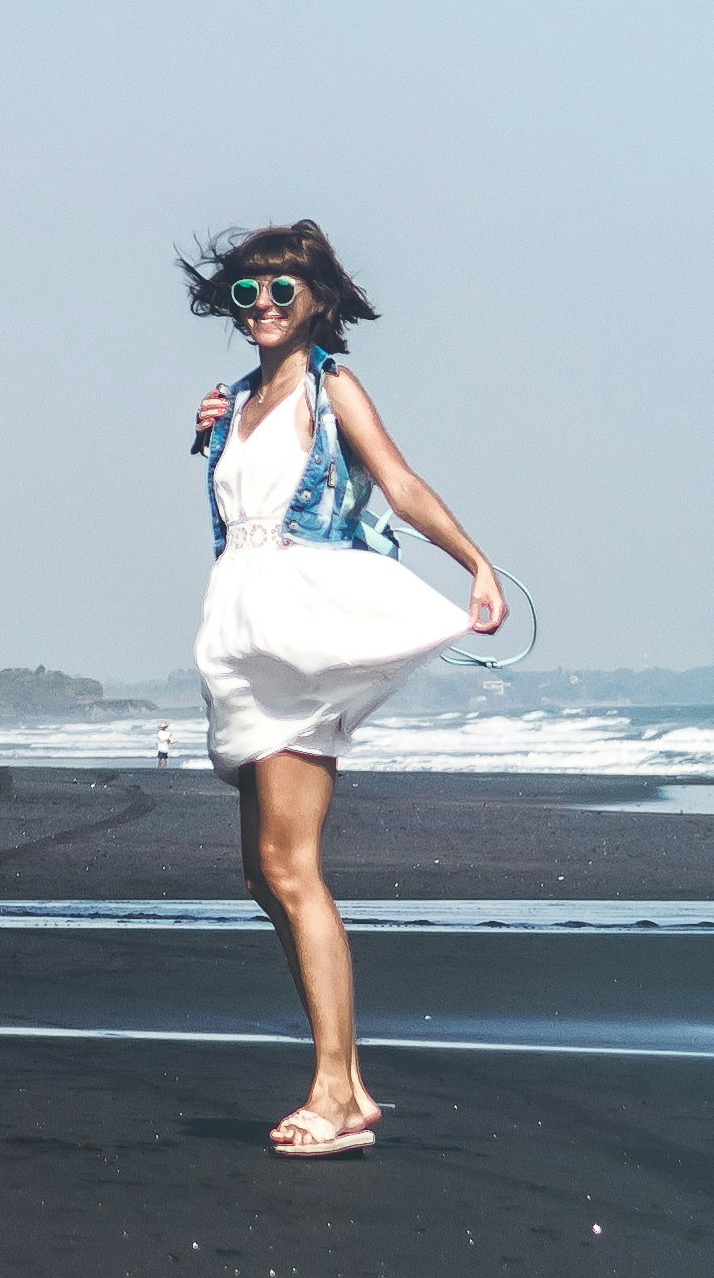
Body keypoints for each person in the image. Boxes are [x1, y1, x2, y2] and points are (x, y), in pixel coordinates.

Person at [181, 218, 506, 1157]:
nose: (264, 308)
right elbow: (240, 508)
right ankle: (349, 1082)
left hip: (306, 625)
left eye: (283, 291)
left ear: (318, 299)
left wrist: (475, 563)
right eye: (248, 293)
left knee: (292, 866)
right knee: (261, 872)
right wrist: (201, 437)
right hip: (238, 629)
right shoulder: (233, 400)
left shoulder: (333, 386)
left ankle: (334, 1091)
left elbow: (398, 483)